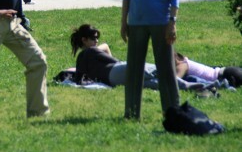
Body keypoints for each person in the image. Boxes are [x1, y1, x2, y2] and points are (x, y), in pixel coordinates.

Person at [70, 24, 204, 91]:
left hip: (114, 81)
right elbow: (113, 59)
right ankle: (198, 84)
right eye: (94, 39)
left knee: (154, 84)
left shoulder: (82, 59)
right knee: (159, 72)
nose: (96, 41)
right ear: (84, 40)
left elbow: (78, 79)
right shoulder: (90, 52)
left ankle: (193, 86)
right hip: (118, 70)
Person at [175, 51, 242, 88]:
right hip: (226, 71)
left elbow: (175, 81)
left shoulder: (182, 66)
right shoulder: (186, 62)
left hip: (225, 75)